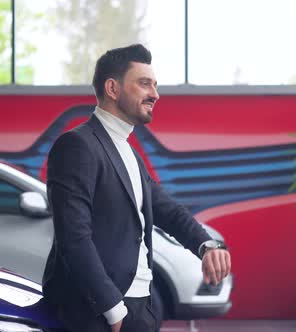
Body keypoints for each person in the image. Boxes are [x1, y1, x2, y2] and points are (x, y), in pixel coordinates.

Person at [42, 44, 232, 332]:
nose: (155, 94)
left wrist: (206, 245)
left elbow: (166, 209)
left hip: (141, 306)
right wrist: (112, 309)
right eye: (144, 84)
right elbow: (73, 237)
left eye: (155, 86)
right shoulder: (77, 146)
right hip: (100, 313)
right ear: (112, 88)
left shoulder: (127, 151)